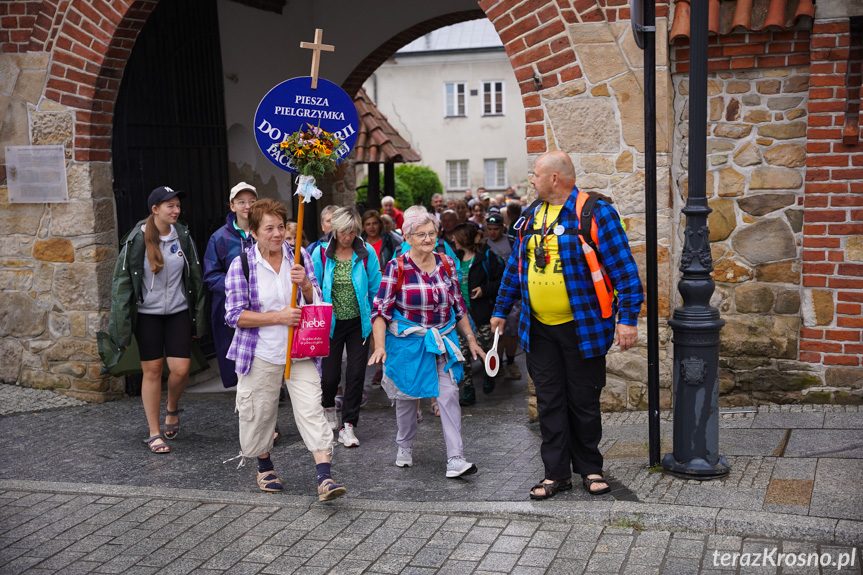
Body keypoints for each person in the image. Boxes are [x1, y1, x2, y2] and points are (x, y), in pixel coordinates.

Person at [490, 151, 643, 500]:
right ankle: (555, 474)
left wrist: (628, 320)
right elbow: (516, 267)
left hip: (583, 327)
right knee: (549, 401)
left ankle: (590, 468)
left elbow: (625, 271)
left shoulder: (595, 213)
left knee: (583, 401)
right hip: (538, 328)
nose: (531, 180)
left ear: (554, 179)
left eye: (535, 174)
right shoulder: (530, 216)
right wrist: (501, 309)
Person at [224, 198, 346, 500]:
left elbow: (316, 301)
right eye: (269, 228)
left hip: (299, 350)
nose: (277, 234)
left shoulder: (299, 256)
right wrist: (277, 317)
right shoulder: (241, 264)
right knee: (260, 413)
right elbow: (234, 315)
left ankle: (325, 478)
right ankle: (264, 466)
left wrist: (305, 284)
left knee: (311, 409)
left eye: (281, 226)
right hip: (260, 352)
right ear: (253, 231)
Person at [369, 209, 485, 477]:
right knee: (408, 397)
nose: (428, 238)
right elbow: (381, 311)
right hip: (408, 342)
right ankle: (405, 445)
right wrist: (379, 346)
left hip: (442, 338)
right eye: (421, 234)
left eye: (432, 233)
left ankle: (456, 458)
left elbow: (458, 306)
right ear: (407, 237)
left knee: (449, 394)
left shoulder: (446, 263)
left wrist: (471, 339)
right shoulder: (396, 267)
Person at [105, 186, 207, 454]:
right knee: (152, 371)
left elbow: (195, 277)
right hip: (147, 315)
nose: (176, 210)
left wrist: (197, 318)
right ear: (155, 210)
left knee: (181, 369)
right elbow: (122, 285)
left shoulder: (182, 236)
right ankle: (154, 432)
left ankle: (172, 408)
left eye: (177, 206)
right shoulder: (136, 239)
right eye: (170, 206)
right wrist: (121, 329)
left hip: (177, 312)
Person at [312, 207, 382, 446]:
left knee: (355, 376)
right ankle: (328, 405)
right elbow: (314, 288)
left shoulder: (366, 252)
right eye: (343, 231)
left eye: (352, 232)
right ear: (334, 230)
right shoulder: (321, 252)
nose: (347, 237)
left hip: (358, 324)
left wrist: (374, 319)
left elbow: (375, 288)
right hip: (330, 325)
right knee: (329, 377)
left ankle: (348, 426)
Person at [203, 182, 257, 390]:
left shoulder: (264, 232)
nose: (247, 206)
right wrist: (236, 289)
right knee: (237, 359)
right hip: (231, 306)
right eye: (241, 202)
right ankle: (246, 403)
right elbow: (211, 274)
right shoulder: (219, 238)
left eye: (252, 201)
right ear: (232, 206)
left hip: (263, 303)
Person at [451, 223, 504, 406]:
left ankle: (490, 373)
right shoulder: (454, 259)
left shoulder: (487, 257)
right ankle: (469, 390)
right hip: (461, 316)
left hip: (483, 315)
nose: (453, 240)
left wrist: (484, 289)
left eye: (456, 237)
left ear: (465, 238)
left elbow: (503, 282)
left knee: (482, 349)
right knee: (463, 353)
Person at [484, 213, 521, 381]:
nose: (492, 232)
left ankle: (511, 362)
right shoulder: (483, 245)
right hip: (492, 295)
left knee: (511, 330)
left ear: (502, 228)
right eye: (489, 229)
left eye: (496, 229)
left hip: (512, 294)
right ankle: (496, 363)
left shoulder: (512, 242)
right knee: (495, 331)